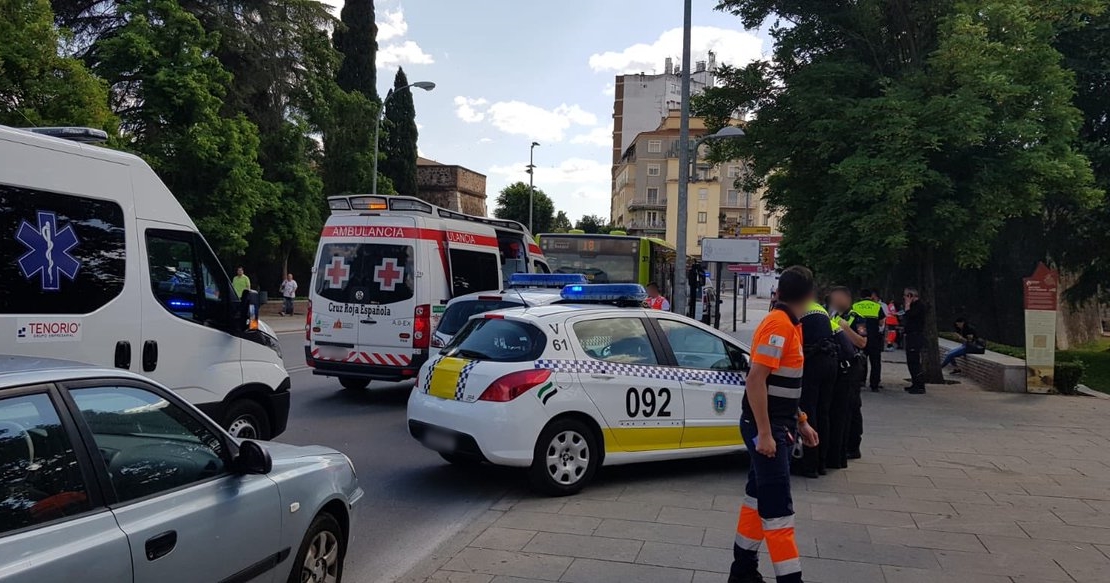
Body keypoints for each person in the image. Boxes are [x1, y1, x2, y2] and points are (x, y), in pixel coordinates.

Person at [728, 266, 818, 583]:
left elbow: (783, 387)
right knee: (779, 510)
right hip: (767, 429)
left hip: (776, 425)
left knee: (757, 498)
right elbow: (756, 380)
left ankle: (742, 573)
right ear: (808, 296)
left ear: (779, 292)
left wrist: (802, 420)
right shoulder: (779, 326)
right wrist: (765, 434)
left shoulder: (788, 325)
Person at [793, 298, 839, 479]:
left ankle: (809, 465)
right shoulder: (820, 309)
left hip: (812, 361)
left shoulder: (798, 309)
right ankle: (822, 463)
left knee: (808, 411)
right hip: (831, 362)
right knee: (824, 412)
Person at [826, 287, 867, 468]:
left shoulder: (856, 316)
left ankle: (853, 445)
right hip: (835, 365)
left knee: (853, 405)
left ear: (846, 299)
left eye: (837, 298)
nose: (833, 300)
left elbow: (862, 342)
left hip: (853, 365)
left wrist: (845, 328)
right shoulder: (829, 314)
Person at [852, 289, 885, 392]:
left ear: (861, 296)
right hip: (874, 338)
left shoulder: (855, 306)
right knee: (875, 362)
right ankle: (874, 385)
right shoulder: (877, 306)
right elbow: (881, 322)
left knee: (861, 360)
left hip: (860, 338)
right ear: (871, 296)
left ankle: (861, 381)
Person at [902, 287, 927, 394]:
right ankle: (915, 383)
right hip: (911, 336)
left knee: (914, 362)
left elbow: (910, 316)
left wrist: (907, 306)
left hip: (915, 337)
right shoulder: (915, 306)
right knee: (911, 361)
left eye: (906, 296)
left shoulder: (919, 306)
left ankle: (920, 385)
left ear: (911, 296)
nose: (904, 298)